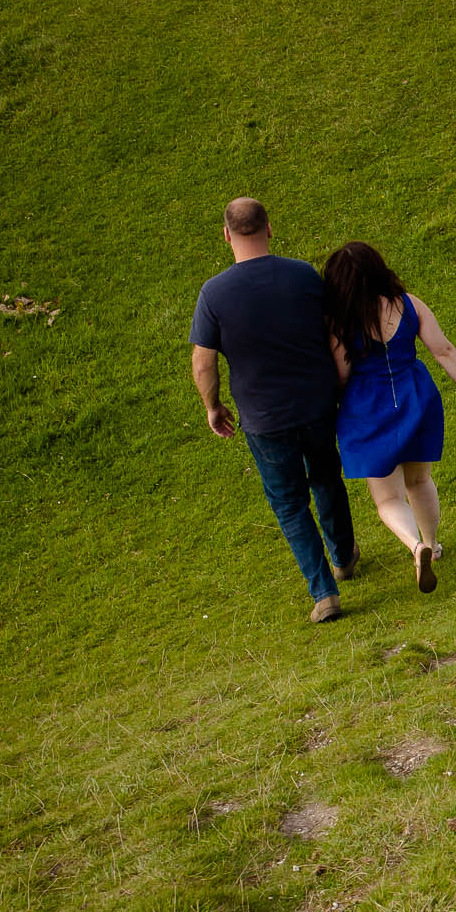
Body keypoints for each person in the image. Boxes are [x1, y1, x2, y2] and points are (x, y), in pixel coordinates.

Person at [190, 198, 359, 623]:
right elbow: (334, 331)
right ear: (269, 227)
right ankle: (343, 556)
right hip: (318, 402)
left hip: (264, 418)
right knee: (326, 478)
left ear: (226, 235)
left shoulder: (214, 293)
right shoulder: (302, 274)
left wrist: (213, 406)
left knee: (288, 503)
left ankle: (324, 593)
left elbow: (203, 361)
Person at [321, 241, 456, 594]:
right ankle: (433, 543)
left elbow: (340, 374)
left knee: (388, 498)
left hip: (368, 410)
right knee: (419, 480)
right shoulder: (409, 304)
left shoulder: (341, 321)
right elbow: (442, 349)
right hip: (416, 397)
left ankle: (415, 546)